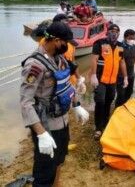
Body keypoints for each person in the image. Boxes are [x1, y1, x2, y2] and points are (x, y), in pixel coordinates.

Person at [20, 21, 89, 187]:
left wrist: (77, 104)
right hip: (46, 125)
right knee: (44, 172)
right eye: (66, 43)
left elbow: (65, 85)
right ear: (56, 40)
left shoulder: (59, 59)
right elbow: (25, 103)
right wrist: (41, 134)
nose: (68, 47)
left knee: (59, 160)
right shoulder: (34, 65)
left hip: (62, 121)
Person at [91, 24, 128, 140]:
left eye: (117, 31)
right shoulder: (100, 43)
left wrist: (126, 77)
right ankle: (98, 128)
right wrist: (93, 76)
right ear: (107, 31)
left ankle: (105, 123)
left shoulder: (121, 46)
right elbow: (94, 59)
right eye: (112, 30)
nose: (114, 32)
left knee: (109, 101)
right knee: (100, 101)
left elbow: (122, 62)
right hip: (100, 79)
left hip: (113, 80)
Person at [39, 14, 86, 94]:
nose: (67, 26)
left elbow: (72, 61)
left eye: (68, 24)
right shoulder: (45, 43)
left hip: (70, 82)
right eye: (64, 24)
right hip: (57, 85)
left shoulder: (69, 43)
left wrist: (79, 79)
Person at [115, 29, 135, 107]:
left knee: (129, 93)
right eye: (131, 38)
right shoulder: (119, 47)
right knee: (121, 95)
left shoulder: (134, 47)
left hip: (131, 74)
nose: (132, 40)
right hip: (120, 76)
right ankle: (117, 110)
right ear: (125, 37)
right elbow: (122, 62)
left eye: (134, 38)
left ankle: (124, 108)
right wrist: (125, 77)